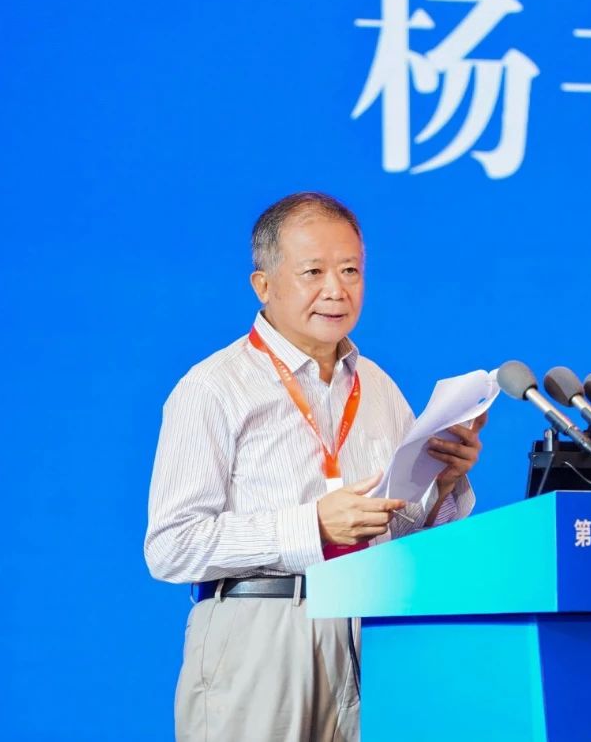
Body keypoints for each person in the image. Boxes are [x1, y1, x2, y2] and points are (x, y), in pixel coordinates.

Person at [144, 192, 484, 742]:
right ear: (264, 285)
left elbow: (400, 534)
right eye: (313, 272)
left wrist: (442, 482)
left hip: (372, 632)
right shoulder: (213, 387)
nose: (336, 290)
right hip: (263, 632)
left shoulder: (378, 387)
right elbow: (172, 545)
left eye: (350, 270)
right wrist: (314, 527)